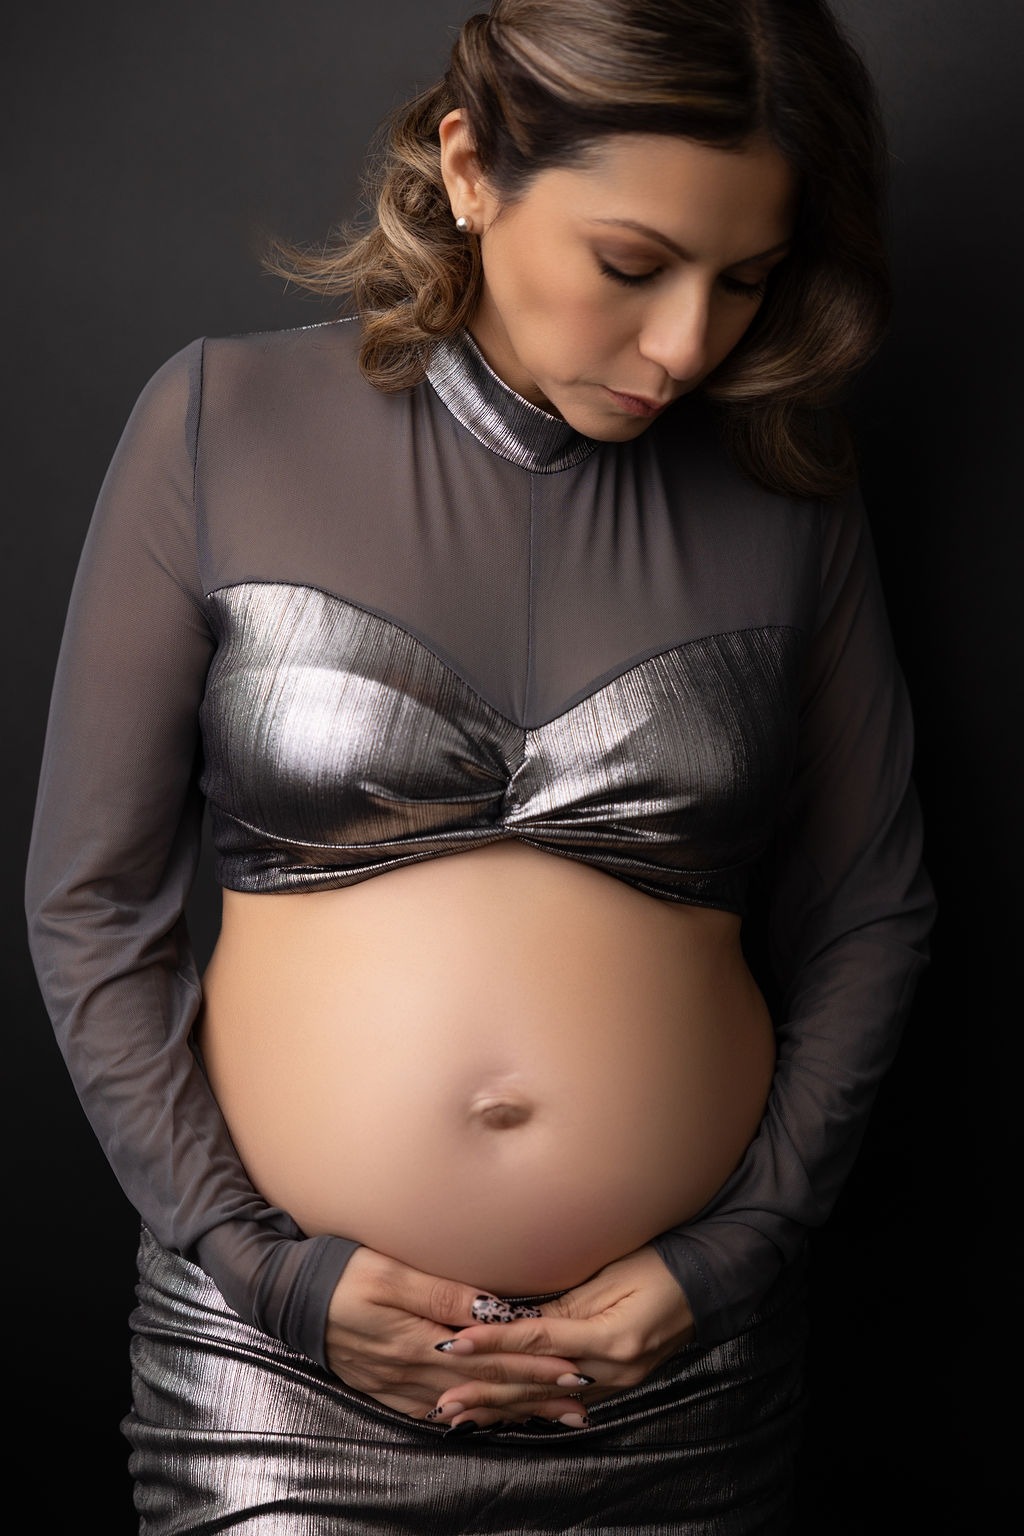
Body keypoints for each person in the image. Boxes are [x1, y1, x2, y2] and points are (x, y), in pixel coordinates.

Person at [24, 1, 936, 1531]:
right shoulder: (216, 423)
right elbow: (90, 908)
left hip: (674, 1376)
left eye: (747, 281)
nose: (689, 344)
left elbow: (873, 912)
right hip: (282, 1380)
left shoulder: (788, 496)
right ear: (468, 165)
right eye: (632, 266)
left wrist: (735, 1254)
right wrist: (264, 1266)